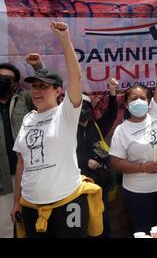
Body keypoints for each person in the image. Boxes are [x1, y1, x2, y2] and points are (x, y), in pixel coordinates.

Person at [10, 21, 103, 238]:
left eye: (43, 86)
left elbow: (76, 78)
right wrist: (17, 202)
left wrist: (64, 39)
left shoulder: (66, 113)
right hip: (31, 206)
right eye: (34, 86)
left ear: (58, 91)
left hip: (66, 202)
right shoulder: (28, 119)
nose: (37, 91)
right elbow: (22, 162)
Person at [109, 44, 157, 235]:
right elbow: (115, 162)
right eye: (134, 98)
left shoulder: (156, 114)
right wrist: (141, 168)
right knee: (146, 233)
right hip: (139, 195)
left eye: (143, 98)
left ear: (149, 101)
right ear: (126, 103)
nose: (139, 101)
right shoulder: (121, 131)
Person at [0, 54, 43, 238]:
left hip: (29, 174)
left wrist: (38, 67)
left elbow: (44, 88)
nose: (2, 81)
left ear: (15, 84)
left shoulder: (24, 100)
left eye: (6, 79)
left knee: (33, 223)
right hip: (2, 179)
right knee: (6, 228)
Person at [76, 77, 119, 238]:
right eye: (79, 107)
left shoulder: (97, 126)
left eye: (85, 106)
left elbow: (112, 114)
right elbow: (65, 152)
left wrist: (113, 92)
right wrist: (84, 160)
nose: (82, 111)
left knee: (102, 216)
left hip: (100, 182)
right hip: (78, 183)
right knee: (83, 219)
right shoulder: (65, 129)